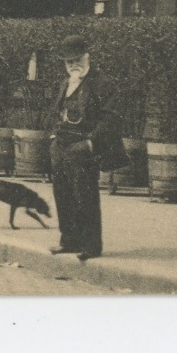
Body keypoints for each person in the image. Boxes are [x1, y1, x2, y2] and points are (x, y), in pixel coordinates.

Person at [47, 34, 121, 262]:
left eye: (77, 59)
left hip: (83, 146)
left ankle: (91, 245)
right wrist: (52, 136)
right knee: (63, 194)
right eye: (69, 62)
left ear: (87, 57)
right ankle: (69, 240)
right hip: (61, 146)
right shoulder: (64, 84)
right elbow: (56, 112)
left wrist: (91, 143)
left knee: (85, 195)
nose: (73, 65)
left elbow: (111, 118)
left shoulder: (102, 84)